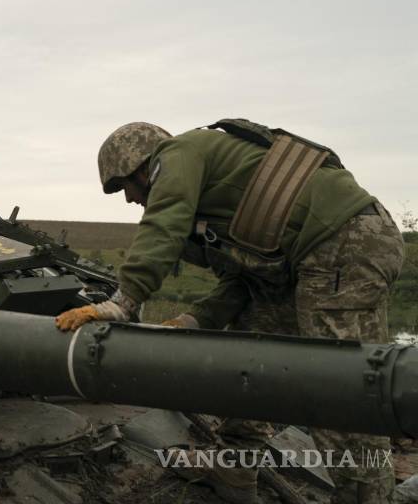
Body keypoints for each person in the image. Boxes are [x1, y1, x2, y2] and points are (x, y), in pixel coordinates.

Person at [55, 119, 404, 504]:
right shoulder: (209, 199)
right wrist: (195, 319)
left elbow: (163, 225)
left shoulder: (179, 153)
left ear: (141, 166)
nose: (128, 200)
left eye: (124, 186)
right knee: (253, 354)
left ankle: (366, 496)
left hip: (343, 243)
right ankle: (234, 467)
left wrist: (123, 302)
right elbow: (242, 282)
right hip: (306, 261)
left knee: (339, 382)